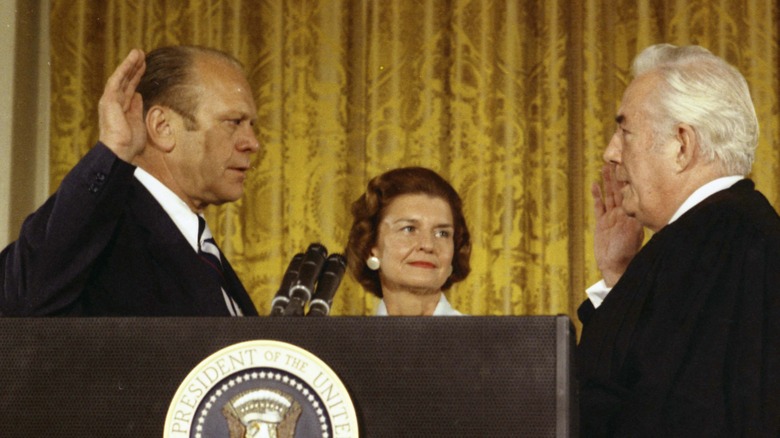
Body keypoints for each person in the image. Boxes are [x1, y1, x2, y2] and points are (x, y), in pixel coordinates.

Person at [577, 43, 780, 436]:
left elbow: (622, 404)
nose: (610, 152)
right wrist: (619, 276)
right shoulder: (736, 233)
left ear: (682, 146)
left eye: (625, 131)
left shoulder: (702, 245)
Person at [0, 45, 261, 316]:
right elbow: (24, 299)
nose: (252, 143)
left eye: (251, 124)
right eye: (234, 121)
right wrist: (113, 151)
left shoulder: (201, 249)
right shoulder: (107, 229)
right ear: (163, 127)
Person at [346, 167, 471, 316]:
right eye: (409, 229)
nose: (428, 245)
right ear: (371, 245)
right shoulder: (348, 339)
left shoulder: (483, 339)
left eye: (442, 233)